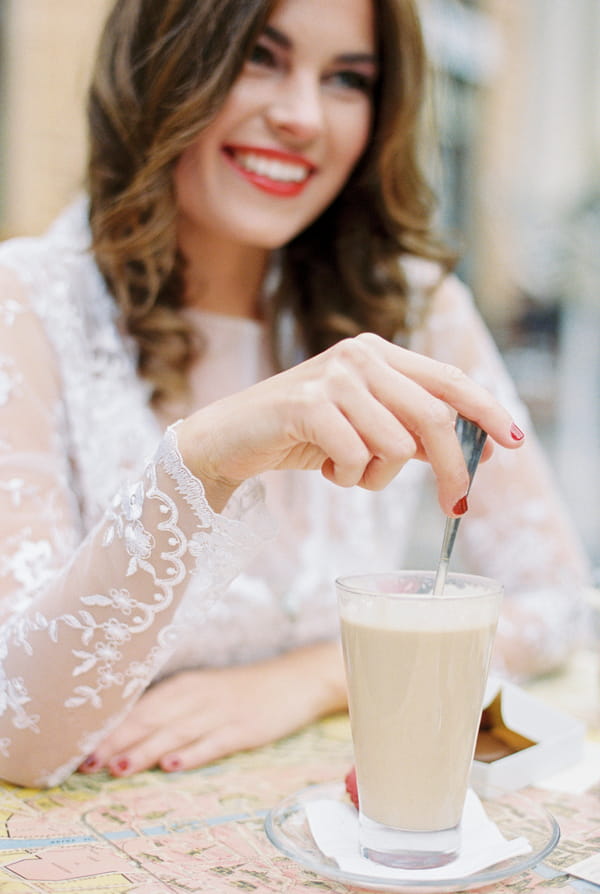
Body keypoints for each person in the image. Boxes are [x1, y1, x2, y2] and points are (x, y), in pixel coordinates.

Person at [0, 0, 590, 790]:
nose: (303, 117)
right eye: (259, 57)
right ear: (161, 63)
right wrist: (202, 464)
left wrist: (314, 676)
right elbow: (16, 730)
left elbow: (556, 602)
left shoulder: (416, 307)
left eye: (348, 78)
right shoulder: (28, 306)